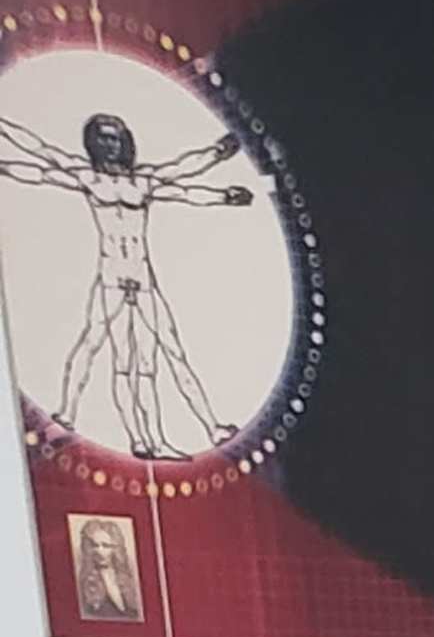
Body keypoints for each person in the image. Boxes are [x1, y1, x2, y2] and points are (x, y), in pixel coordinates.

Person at [0, 100, 263, 462]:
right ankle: (73, 415)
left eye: (116, 138)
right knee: (105, 352)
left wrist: (220, 173)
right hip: (111, 279)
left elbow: (183, 181)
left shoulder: (143, 181)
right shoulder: (87, 177)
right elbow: (40, 161)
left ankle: (209, 427)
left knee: (168, 354)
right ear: (93, 143)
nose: (111, 145)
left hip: (144, 280)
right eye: (104, 139)